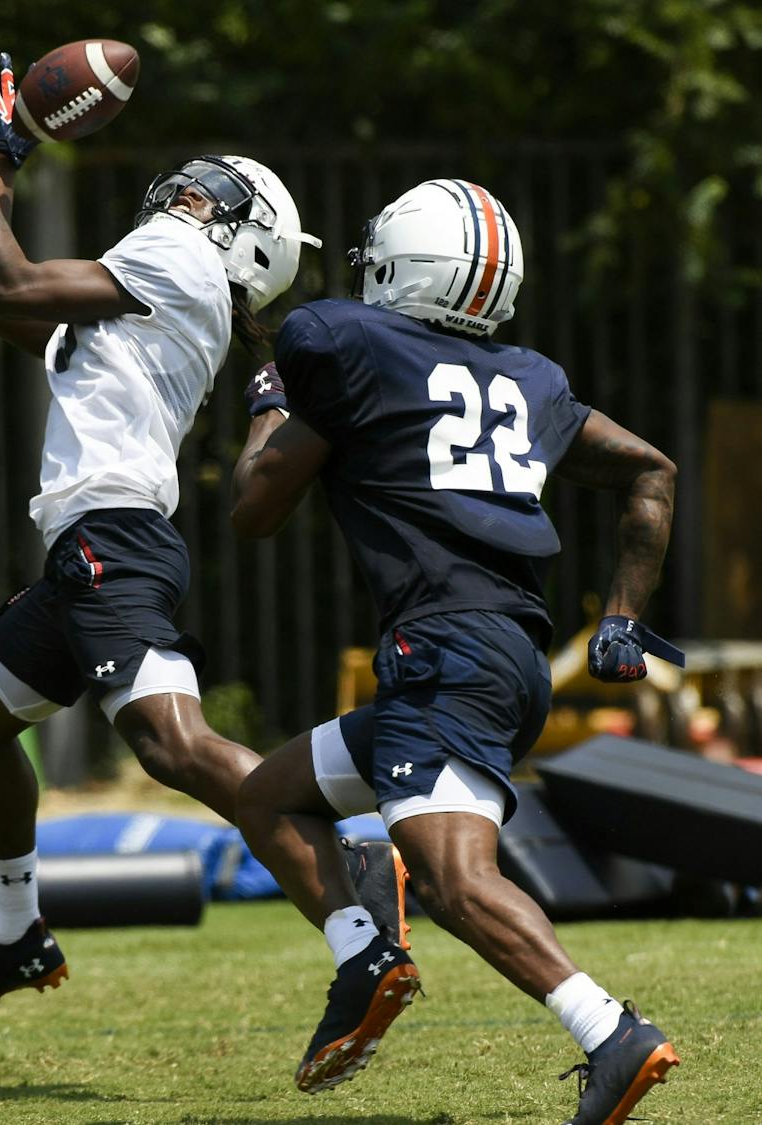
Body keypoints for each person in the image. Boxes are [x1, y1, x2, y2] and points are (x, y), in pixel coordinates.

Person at [228, 178, 682, 1124]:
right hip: (499, 658)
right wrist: (622, 619)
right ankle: (364, 953)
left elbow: (254, 508)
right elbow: (652, 469)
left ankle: (610, 1031)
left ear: (403, 265)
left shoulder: (346, 347)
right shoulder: (531, 378)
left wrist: (270, 398)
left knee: (452, 878)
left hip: (444, 656)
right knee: (265, 795)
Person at [0, 52, 320, 1010]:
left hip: (113, 537)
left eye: (214, 193)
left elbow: (13, 283)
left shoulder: (179, 260)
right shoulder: (140, 316)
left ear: (242, 240)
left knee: (171, 746)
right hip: (85, 547)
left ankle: (347, 873)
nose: (190, 194)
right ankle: (19, 927)